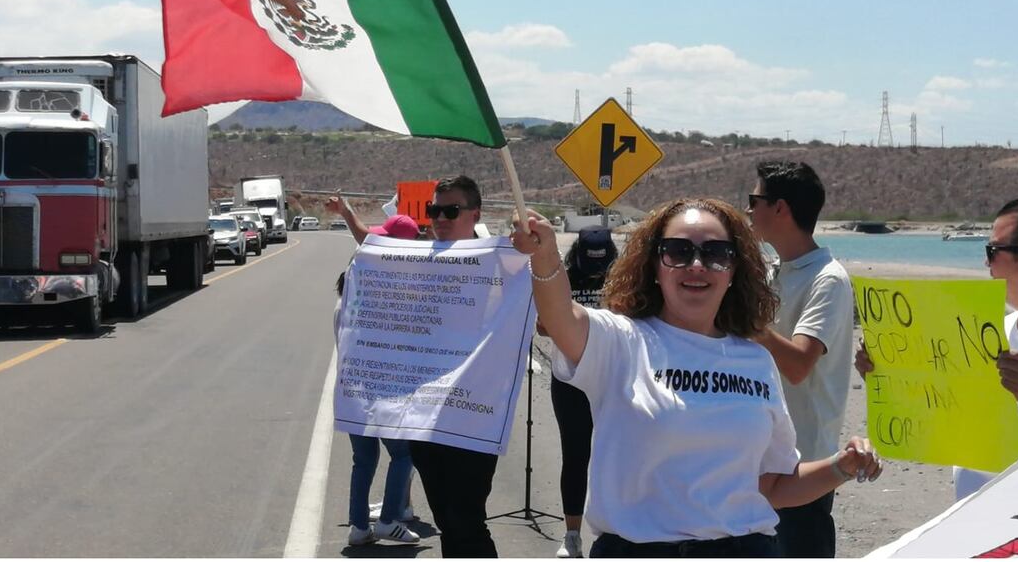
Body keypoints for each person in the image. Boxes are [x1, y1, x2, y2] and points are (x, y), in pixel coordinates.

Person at [511, 198, 881, 558]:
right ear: (654, 266)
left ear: (734, 271)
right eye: (678, 251)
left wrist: (840, 466)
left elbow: (772, 485)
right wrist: (543, 255)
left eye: (717, 253)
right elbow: (561, 317)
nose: (697, 265)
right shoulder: (621, 340)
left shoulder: (756, 361)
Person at [855, 197, 1018, 500]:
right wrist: (885, 372)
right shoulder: (990, 330)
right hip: (971, 518)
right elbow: (941, 406)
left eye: (992, 251)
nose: (985, 262)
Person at [745, 161, 854, 558]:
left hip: (804, 464)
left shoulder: (828, 279)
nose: (748, 211)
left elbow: (798, 365)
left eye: (754, 200)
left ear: (781, 208)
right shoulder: (777, 272)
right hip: (763, 454)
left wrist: (753, 326)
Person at [404, 175, 502, 558]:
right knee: (447, 519)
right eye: (434, 210)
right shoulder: (415, 263)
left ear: (474, 214)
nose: (440, 218)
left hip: (473, 416)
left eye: (451, 210)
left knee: (467, 519)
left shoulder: (500, 264)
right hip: (423, 414)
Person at [328, 195, 421, 546]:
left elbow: (364, 237)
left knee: (363, 458)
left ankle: (358, 527)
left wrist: (347, 210)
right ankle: (387, 521)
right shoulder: (394, 289)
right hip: (385, 386)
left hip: (352, 387)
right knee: (403, 453)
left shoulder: (353, 291)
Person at [546, 227, 618, 558]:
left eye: (602, 268)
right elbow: (542, 325)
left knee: (617, 454)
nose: (597, 274)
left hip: (612, 379)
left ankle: (615, 529)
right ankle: (572, 536)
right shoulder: (564, 275)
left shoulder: (623, 277)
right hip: (570, 378)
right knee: (575, 456)